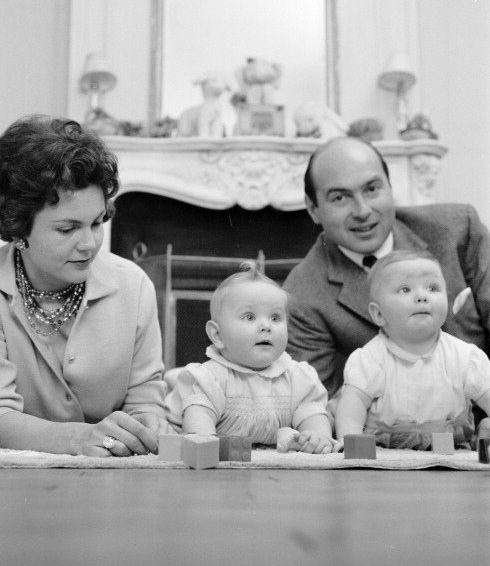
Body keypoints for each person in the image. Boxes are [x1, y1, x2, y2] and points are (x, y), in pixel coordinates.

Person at [0, 114, 169, 456]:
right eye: (67, 229)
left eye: (96, 223)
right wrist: (78, 440)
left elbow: (145, 400)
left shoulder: (134, 285)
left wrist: (146, 425)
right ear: (18, 226)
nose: (89, 243)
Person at [283, 136, 490, 406]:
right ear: (313, 209)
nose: (362, 211)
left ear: (390, 187)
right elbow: (323, 402)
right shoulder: (300, 296)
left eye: (372, 189)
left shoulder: (459, 228)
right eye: (340, 197)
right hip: (396, 434)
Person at [165, 262, 340, 454]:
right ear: (218, 335)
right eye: (249, 317)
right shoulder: (210, 378)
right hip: (222, 457)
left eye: (275, 318)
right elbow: (199, 419)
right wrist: (204, 441)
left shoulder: (297, 376)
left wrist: (316, 436)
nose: (266, 326)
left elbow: (311, 413)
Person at [335, 250, 490, 449]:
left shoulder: (465, 356)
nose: (422, 297)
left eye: (432, 288)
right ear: (378, 314)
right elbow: (352, 404)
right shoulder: (371, 359)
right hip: (386, 447)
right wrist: (349, 441)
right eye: (405, 290)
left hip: (450, 445)